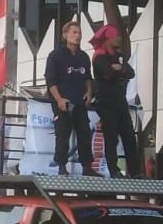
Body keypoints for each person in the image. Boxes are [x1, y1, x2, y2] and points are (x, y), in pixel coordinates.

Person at [45, 20, 99, 176]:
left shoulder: (83, 56)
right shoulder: (55, 56)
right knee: (62, 134)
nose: (77, 36)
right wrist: (59, 100)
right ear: (65, 35)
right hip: (63, 102)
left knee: (84, 134)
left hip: (80, 102)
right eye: (74, 32)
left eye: (79, 33)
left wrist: (89, 92)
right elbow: (51, 81)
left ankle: (87, 167)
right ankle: (62, 167)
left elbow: (88, 77)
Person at [90, 23, 141, 178]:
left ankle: (135, 171)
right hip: (106, 101)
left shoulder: (117, 55)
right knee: (111, 136)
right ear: (108, 39)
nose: (118, 39)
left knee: (129, 136)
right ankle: (113, 169)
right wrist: (118, 71)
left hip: (120, 101)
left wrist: (119, 69)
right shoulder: (99, 57)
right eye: (115, 36)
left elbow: (130, 72)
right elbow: (108, 74)